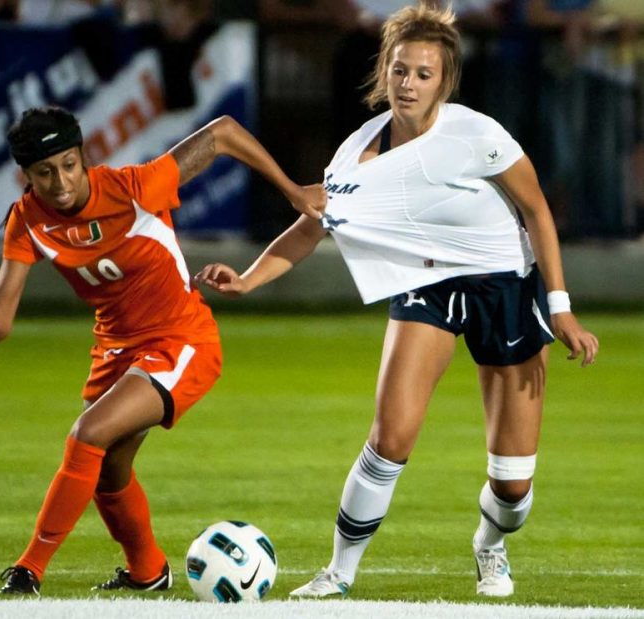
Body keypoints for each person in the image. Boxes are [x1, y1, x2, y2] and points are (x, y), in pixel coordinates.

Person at [196, 2, 599, 598]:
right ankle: (339, 572)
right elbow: (314, 223)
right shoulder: (356, 156)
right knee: (390, 439)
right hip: (427, 285)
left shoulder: (477, 136)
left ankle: (490, 546)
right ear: (384, 70)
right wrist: (250, 279)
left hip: (505, 285)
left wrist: (560, 305)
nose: (408, 84)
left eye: (423, 74)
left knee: (513, 486)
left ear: (445, 81)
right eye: (400, 71)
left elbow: (536, 209)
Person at [0, 106, 325, 595]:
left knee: (88, 433)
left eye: (69, 164)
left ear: (82, 156)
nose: (61, 181)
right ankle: (148, 570)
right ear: (25, 175)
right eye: (45, 172)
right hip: (115, 350)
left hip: (180, 339)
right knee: (109, 471)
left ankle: (29, 569)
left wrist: (294, 192)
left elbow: (223, 134)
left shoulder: (133, 188)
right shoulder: (26, 219)